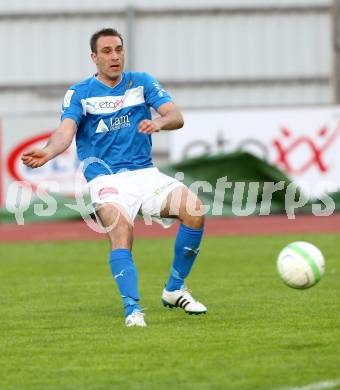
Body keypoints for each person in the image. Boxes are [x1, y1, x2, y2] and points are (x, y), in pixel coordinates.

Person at [22, 28, 207, 327]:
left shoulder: (142, 82)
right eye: (106, 51)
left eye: (118, 49)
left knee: (194, 210)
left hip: (146, 174)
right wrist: (47, 152)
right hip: (105, 180)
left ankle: (174, 288)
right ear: (94, 57)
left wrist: (158, 122)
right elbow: (65, 132)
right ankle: (133, 310)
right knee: (121, 230)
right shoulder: (80, 93)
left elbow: (176, 116)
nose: (115, 56)